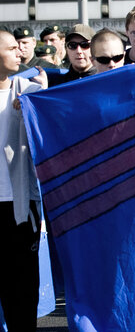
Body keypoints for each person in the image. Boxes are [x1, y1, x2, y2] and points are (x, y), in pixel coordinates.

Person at [0, 30, 44, 332]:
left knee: (22, 295)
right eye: (12, 48)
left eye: (20, 47)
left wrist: (36, 99)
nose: (20, 53)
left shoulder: (25, 90)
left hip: (19, 207)